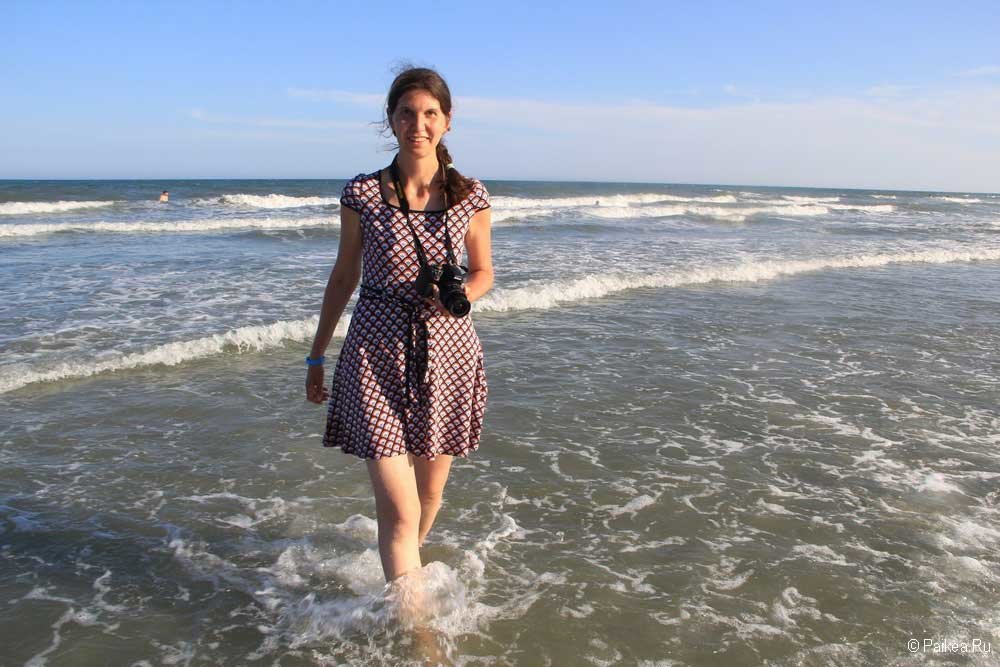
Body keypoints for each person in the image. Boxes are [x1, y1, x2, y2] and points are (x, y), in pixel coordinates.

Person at [305, 67, 494, 589]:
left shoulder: (471, 195)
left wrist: (458, 297)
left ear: (447, 121)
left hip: (448, 353)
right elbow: (344, 276)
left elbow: (484, 272)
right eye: (407, 113)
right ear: (390, 120)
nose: (418, 124)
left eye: (430, 113)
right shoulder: (362, 194)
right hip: (373, 354)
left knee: (428, 495)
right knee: (400, 511)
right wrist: (316, 355)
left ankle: (400, 578)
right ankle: (416, 625)